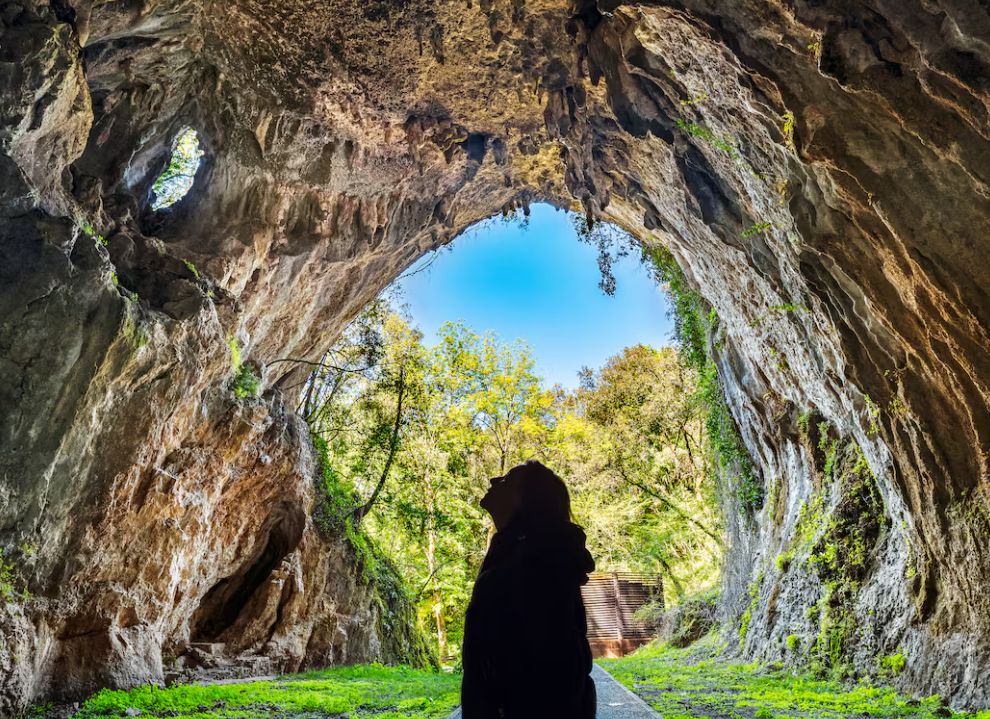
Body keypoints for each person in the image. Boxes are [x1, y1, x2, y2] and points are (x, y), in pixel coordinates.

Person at [460, 460, 596, 718]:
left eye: (508, 479)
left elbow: (549, 673)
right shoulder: (523, 552)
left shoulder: (536, 563)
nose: (493, 480)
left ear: (527, 501)